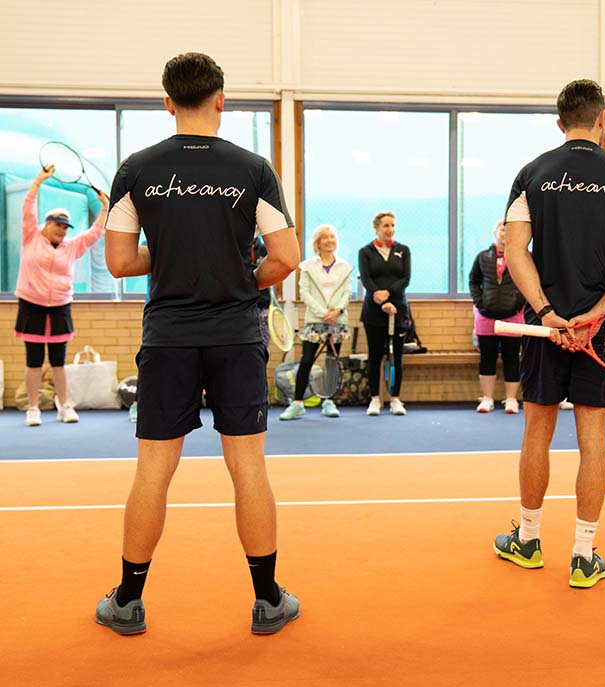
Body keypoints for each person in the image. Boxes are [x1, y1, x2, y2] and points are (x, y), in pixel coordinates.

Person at [98, 52, 301, 635]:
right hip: (236, 336)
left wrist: (170, 254)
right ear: (221, 100)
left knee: (153, 471)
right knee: (248, 468)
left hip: (168, 340)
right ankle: (268, 601)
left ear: (167, 102)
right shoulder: (253, 168)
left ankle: (127, 602)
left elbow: (119, 263)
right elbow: (286, 257)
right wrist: (238, 274)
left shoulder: (136, 168)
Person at [493, 79, 605, 588]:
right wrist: (598, 315)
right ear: (601, 118)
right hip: (599, 331)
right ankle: (584, 556)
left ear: (560, 121)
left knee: (536, 433)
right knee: (594, 440)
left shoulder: (532, 174)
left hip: (546, 329)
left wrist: (546, 313)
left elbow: (515, 250)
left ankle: (528, 541)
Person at [14, 165, 109, 427]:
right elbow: (27, 208)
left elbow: (94, 235)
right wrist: (38, 181)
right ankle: (33, 409)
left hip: (60, 305)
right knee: (34, 361)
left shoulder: (71, 247)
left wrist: (104, 208)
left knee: (58, 361)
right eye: (58, 225)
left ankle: (65, 406)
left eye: (66, 227)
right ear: (46, 224)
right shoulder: (31, 237)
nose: (62, 230)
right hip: (31, 304)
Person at [281, 224, 351, 420]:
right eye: (325, 237)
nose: (330, 240)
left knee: (332, 362)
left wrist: (337, 311)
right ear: (317, 243)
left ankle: (329, 402)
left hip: (337, 320)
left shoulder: (344, 267)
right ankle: (297, 404)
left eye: (332, 237)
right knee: (306, 361)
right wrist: (323, 313)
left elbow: (347, 293)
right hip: (315, 320)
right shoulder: (307, 266)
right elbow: (304, 293)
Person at [469, 220, 525, 413]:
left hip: (513, 317)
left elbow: (527, 282)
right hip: (486, 318)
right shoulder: (482, 257)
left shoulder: (521, 256)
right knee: (487, 358)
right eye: (502, 229)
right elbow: (473, 281)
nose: (505, 232)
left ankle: (511, 399)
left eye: (509, 229)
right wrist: (480, 303)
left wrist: (518, 304)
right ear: (495, 232)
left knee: (512, 358)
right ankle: (487, 398)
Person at [358, 211, 411, 416]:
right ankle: (375, 399)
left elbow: (405, 279)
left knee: (396, 356)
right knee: (375, 356)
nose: (390, 229)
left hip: (398, 310)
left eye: (392, 225)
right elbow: (366, 279)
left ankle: (395, 398)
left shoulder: (403, 250)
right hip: (374, 311)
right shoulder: (365, 252)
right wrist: (380, 298)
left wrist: (388, 294)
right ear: (376, 228)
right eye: (386, 226)